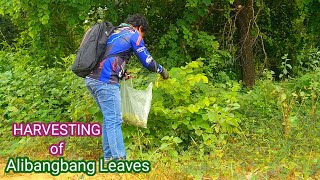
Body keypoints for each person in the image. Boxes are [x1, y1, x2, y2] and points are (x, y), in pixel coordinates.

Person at [85, 14, 169, 161]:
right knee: (114, 120)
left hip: (91, 79)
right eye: (142, 34)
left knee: (109, 119)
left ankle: (109, 158)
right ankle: (120, 161)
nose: (141, 37)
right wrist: (162, 70)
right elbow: (147, 61)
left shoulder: (114, 32)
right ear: (140, 28)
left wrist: (122, 73)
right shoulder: (133, 35)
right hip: (105, 81)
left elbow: (110, 56)